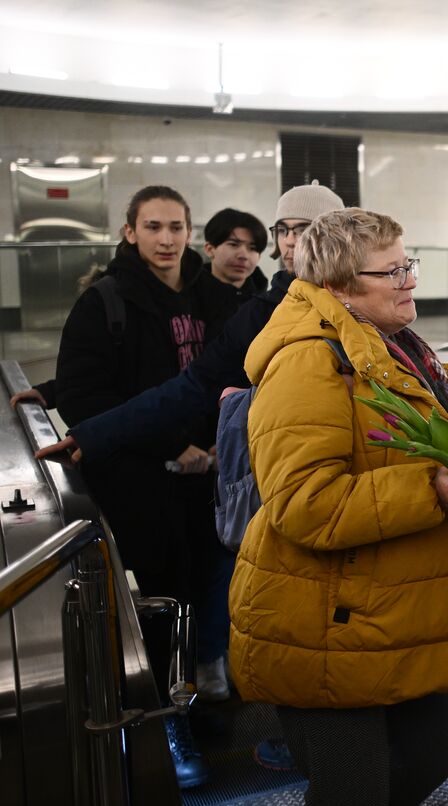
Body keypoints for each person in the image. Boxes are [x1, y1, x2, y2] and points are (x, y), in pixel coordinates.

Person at [230, 207, 448, 806]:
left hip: (404, 606)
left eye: (410, 264)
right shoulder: (306, 361)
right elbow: (305, 503)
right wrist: (432, 490)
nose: (411, 280)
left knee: (437, 750)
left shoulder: (402, 345)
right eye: (394, 270)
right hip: (326, 617)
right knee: (349, 798)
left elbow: (431, 444)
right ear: (342, 286)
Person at [38, 181, 348, 772]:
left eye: (302, 230)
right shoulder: (264, 312)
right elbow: (194, 384)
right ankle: (309, 736)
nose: (288, 244)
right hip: (286, 488)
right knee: (292, 609)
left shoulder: (369, 297)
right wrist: (98, 433)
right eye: (283, 230)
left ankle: (343, 737)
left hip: (352, 485)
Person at [54, 184, 239, 788]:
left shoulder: (216, 299)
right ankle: (163, 722)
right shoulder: (105, 302)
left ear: (191, 233)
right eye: (153, 227)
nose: (166, 239)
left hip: (210, 477)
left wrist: (215, 444)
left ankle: (204, 689)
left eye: (176, 228)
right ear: (130, 232)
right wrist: (170, 446)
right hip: (142, 483)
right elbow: (86, 394)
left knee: (211, 582)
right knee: (158, 599)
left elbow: (237, 376)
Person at [202, 206, 269, 300]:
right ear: (209, 249)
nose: (243, 256)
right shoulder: (187, 300)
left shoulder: (268, 305)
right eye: (233, 244)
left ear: (259, 257)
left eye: (252, 248)